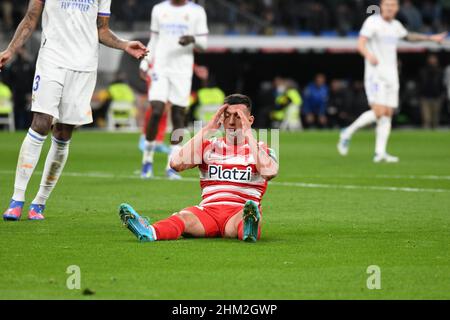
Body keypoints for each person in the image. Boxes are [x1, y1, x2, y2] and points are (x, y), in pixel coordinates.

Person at [1, 0, 148, 221]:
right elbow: (31, 17)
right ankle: (17, 199)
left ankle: (39, 202)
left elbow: (102, 30)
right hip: (52, 60)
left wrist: (124, 44)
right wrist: (11, 49)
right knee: (41, 122)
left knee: (63, 132)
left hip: (84, 66)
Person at [118, 94, 279, 243]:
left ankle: (248, 227)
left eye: (238, 116)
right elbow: (175, 163)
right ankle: (149, 231)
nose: (231, 122)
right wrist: (208, 128)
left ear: (250, 120)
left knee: (246, 215)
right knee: (184, 217)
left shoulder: (261, 148)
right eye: (227, 115)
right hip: (208, 212)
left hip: (238, 211)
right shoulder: (209, 146)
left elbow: (269, 172)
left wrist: (248, 133)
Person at [337, 0, 447, 163]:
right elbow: (360, 44)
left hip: (391, 75)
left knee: (387, 114)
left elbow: (408, 37)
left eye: (393, 5)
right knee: (379, 112)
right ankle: (347, 132)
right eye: (387, 5)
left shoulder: (395, 25)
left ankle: (380, 153)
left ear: (396, 8)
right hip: (375, 74)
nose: (389, 8)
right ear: (381, 6)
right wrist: (368, 55)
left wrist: (431, 38)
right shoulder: (372, 22)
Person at [139, 0, 208, 180]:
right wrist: (145, 61)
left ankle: (172, 165)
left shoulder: (197, 11)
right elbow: (154, 40)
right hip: (160, 68)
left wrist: (192, 39)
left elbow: (204, 44)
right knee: (156, 110)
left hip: (182, 70)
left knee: (178, 116)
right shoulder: (159, 9)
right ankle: (147, 161)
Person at [419, 54, 444, 129]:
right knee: (426, 118)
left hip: (437, 96)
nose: (432, 61)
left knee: (435, 117)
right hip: (425, 96)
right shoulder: (423, 71)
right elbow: (420, 82)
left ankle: (435, 132)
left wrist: (442, 94)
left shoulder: (440, 71)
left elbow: (442, 83)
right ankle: (426, 133)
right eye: (431, 59)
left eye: (434, 60)